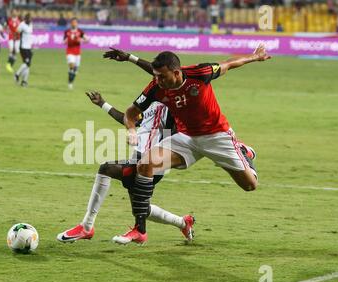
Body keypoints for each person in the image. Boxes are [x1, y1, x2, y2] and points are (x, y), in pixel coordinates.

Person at [103, 46, 271, 244]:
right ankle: (140, 231)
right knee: (145, 165)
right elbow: (131, 113)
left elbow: (229, 63)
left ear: (176, 72)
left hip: (217, 137)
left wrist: (255, 57)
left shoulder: (200, 73)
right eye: (156, 76)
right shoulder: (156, 88)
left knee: (250, 185)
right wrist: (131, 131)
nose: (157, 80)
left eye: (161, 76)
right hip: (186, 138)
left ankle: (244, 153)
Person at [56, 91, 195, 244]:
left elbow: (179, 131)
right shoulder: (152, 104)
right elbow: (129, 119)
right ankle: (183, 223)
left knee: (106, 169)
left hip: (153, 163)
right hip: (138, 158)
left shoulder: (173, 106)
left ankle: (87, 227)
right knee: (141, 209)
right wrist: (103, 104)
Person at [64, 17, 88, 90]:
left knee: (75, 70)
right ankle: (70, 84)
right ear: (71, 23)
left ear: (77, 23)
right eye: (73, 22)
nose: (74, 23)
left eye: (75, 22)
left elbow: (87, 40)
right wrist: (68, 40)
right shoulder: (67, 31)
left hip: (77, 53)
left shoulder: (80, 32)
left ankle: (70, 82)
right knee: (72, 66)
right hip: (69, 52)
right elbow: (64, 41)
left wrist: (80, 40)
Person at [14, 14, 33, 88]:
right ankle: (17, 74)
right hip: (23, 47)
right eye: (28, 19)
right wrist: (16, 41)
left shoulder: (31, 25)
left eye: (30, 19)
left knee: (28, 65)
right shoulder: (22, 25)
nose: (30, 20)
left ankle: (24, 81)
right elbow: (16, 32)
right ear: (25, 19)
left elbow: (30, 36)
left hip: (29, 47)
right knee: (27, 63)